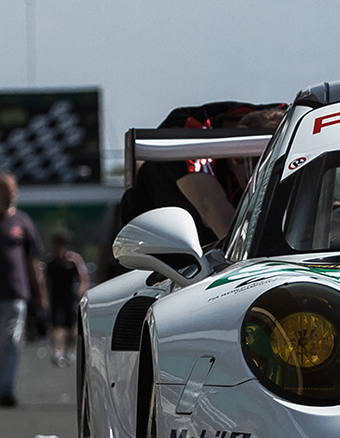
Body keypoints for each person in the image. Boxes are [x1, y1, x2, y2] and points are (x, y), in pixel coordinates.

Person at [119, 104, 286, 248]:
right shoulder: (192, 132)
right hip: (153, 244)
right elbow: (210, 205)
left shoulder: (292, 120)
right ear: (238, 159)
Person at [0, 172, 46, 407]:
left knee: (10, 341)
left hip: (15, 294)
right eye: (6, 191)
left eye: (14, 190)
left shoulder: (22, 221)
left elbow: (32, 261)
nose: (12, 195)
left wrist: (40, 292)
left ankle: (5, 390)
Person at [45, 233, 90, 367]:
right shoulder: (50, 262)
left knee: (72, 327)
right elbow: (44, 281)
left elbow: (83, 276)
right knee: (57, 326)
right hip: (55, 297)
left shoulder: (73, 260)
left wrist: (82, 289)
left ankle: (70, 351)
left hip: (71, 296)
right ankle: (58, 352)